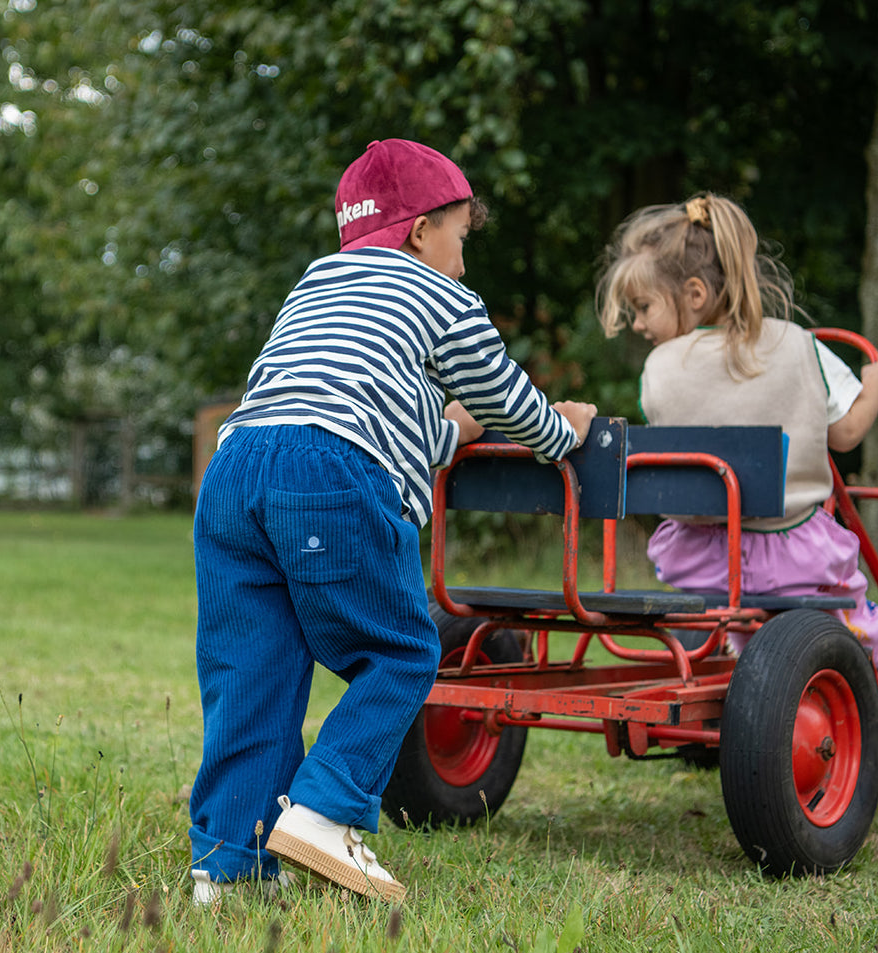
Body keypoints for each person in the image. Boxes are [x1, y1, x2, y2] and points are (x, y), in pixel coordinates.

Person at [189, 138, 598, 905]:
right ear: (419, 232)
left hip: (235, 471)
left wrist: (453, 432)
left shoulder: (319, 284)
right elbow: (506, 395)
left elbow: (363, 407)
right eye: (460, 237)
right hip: (328, 472)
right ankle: (323, 812)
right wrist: (559, 432)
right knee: (402, 652)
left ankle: (227, 868)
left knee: (254, 671)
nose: (463, 262)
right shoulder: (440, 296)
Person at [594, 191, 878, 750]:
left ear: (694, 295)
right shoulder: (799, 345)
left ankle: (741, 680)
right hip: (792, 557)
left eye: (645, 308)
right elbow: (844, 435)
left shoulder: (660, 368)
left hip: (698, 563)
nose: (640, 325)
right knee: (859, 618)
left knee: (745, 616)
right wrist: (877, 385)